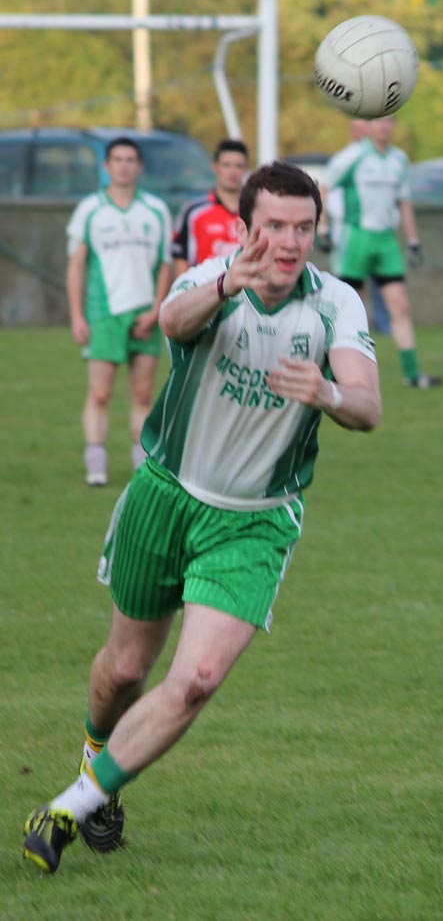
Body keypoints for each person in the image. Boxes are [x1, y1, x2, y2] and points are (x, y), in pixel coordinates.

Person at [22, 161, 381, 875]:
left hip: (253, 522)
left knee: (199, 678)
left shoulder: (336, 303)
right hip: (166, 496)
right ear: (245, 227)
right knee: (123, 671)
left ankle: (69, 806)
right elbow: (172, 320)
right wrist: (225, 285)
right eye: (274, 225)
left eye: (303, 227)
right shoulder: (207, 281)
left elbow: (368, 406)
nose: (289, 241)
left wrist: (329, 393)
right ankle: (98, 752)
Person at [66, 136, 173, 486]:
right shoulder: (90, 210)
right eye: (118, 159)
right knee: (100, 393)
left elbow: (164, 265)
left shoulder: (156, 210)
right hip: (104, 313)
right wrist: (77, 315)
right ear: (106, 166)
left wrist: (156, 310)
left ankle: (141, 467)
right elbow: (77, 264)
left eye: (130, 159)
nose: (124, 165)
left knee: (142, 395)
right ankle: (95, 464)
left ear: (139, 167)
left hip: (145, 313)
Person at [319, 115, 443, 388]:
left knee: (400, 305)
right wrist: (323, 228)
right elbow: (324, 187)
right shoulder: (352, 157)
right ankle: (335, 373)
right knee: (349, 309)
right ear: (368, 126)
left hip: (386, 241)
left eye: (389, 121)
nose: (384, 126)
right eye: (378, 121)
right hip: (355, 240)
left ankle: (412, 375)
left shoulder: (399, 159)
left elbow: (404, 201)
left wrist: (413, 240)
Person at [319, 119, 391, 335]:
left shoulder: (381, 157)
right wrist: (325, 228)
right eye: (359, 127)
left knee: (382, 285)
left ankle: (380, 325)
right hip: (349, 234)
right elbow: (327, 191)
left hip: (377, 236)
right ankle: (344, 329)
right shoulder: (347, 159)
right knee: (348, 287)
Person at [171, 138, 249, 276]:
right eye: (226, 165)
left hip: (246, 292)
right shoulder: (194, 211)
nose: (232, 172)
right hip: (206, 292)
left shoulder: (255, 211)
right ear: (215, 166)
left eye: (238, 166)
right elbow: (181, 260)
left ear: (246, 168)